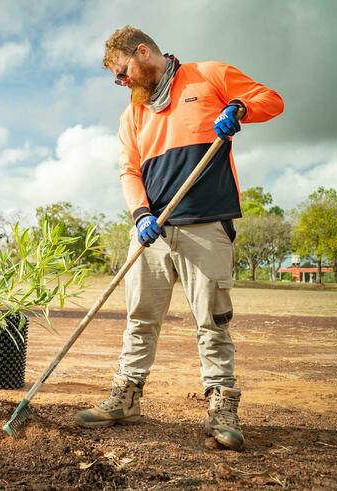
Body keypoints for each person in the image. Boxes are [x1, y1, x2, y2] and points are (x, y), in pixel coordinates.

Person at [74, 26, 284, 451]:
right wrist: (140, 215)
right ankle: (126, 398)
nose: (122, 82)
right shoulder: (132, 114)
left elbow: (272, 100)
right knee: (139, 319)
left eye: (123, 71)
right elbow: (129, 170)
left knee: (212, 322)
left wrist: (240, 108)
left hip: (206, 224)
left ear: (143, 51)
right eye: (116, 78)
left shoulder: (209, 76)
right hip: (153, 232)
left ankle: (222, 407)